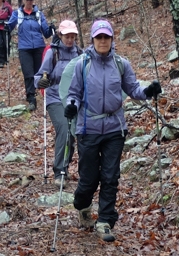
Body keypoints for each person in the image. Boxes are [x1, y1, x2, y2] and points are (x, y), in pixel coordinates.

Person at [63, 19, 161, 242]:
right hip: (88, 128)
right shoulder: (82, 65)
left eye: (106, 37)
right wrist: (71, 106)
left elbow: (133, 89)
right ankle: (82, 205)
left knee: (110, 176)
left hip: (115, 128)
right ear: (92, 40)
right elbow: (74, 93)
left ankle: (105, 221)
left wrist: (148, 91)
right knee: (89, 179)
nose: (103, 41)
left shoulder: (121, 64)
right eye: (99, 37)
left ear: (112, 39)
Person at [36, 20, 81, 184]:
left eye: (72, 36)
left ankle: (66, 166)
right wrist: (40, 82)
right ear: (60, 35)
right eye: (67, 36)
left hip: (74, 98)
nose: (70, 39)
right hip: (55, 97)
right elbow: (40, 75)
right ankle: (59, 171)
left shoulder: (79, 54)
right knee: (64, 128)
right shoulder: (52, 53)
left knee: (73, 132)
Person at [6, 0, 53, 110]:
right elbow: (9, 27)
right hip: (24, 48)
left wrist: (52, 29)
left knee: (41, 73)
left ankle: (45, 96)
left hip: (39, 47)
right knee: (28, 74)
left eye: (31, 0)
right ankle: (31, 99)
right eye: (27, 0)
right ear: (23, 0)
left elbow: (46, 33)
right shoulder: (17, 14)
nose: (29, 2)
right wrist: (6, 28)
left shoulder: (38, 14)